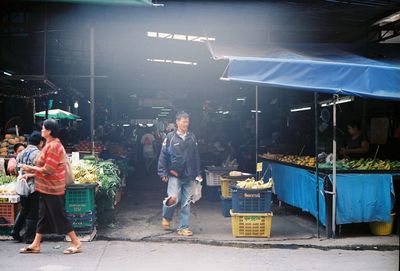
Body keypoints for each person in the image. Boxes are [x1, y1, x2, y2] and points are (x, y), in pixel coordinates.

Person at [19, 119, 81, 254]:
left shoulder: (54, 146)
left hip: (53, 188)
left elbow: (49, 169)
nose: (41, 130)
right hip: (45, 187)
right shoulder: (49, 144)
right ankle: (36, 244)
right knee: (42, 216)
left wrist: (28, 168)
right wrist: (30, 174)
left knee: (60, 215)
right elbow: (43, 167)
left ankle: (75, 241)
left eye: (43, 128)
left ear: (49, 131)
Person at [158, 111, 201, 236]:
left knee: (186, 202)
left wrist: (198, 172)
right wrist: (162, 172)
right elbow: (163, 155)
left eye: (187, 121)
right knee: (173, 199)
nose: (186, 124)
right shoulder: (170, 137)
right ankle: (166, 216)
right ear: (177, 122)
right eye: (183, 121)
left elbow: (196, 156)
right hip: (174, 174)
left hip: (190, 175)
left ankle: (183, 227)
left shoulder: (192, 137)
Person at [11, 131, 45, 243]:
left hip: (22, 186)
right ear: (40, 142)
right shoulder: (38, 154)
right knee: (33, 212)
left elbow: (15, 169)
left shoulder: (21, 153)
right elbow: (42, 171)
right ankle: (30, 238)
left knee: (25, 209)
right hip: (34, 186)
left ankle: (15, 231)